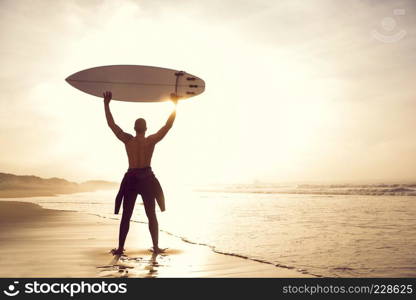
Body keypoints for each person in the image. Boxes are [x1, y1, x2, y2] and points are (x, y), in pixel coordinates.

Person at [103, 91, 178, 255]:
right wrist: (175, 105)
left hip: (131, 179)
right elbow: (167, 126)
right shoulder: (151, 141)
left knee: (126, 215)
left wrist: (106, 104)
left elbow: (112, 124)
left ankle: (121, 248)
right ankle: (156, 247)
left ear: (135, 128)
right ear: (146, 128)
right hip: (146, 179)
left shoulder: (128, 140)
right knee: (151, 215)